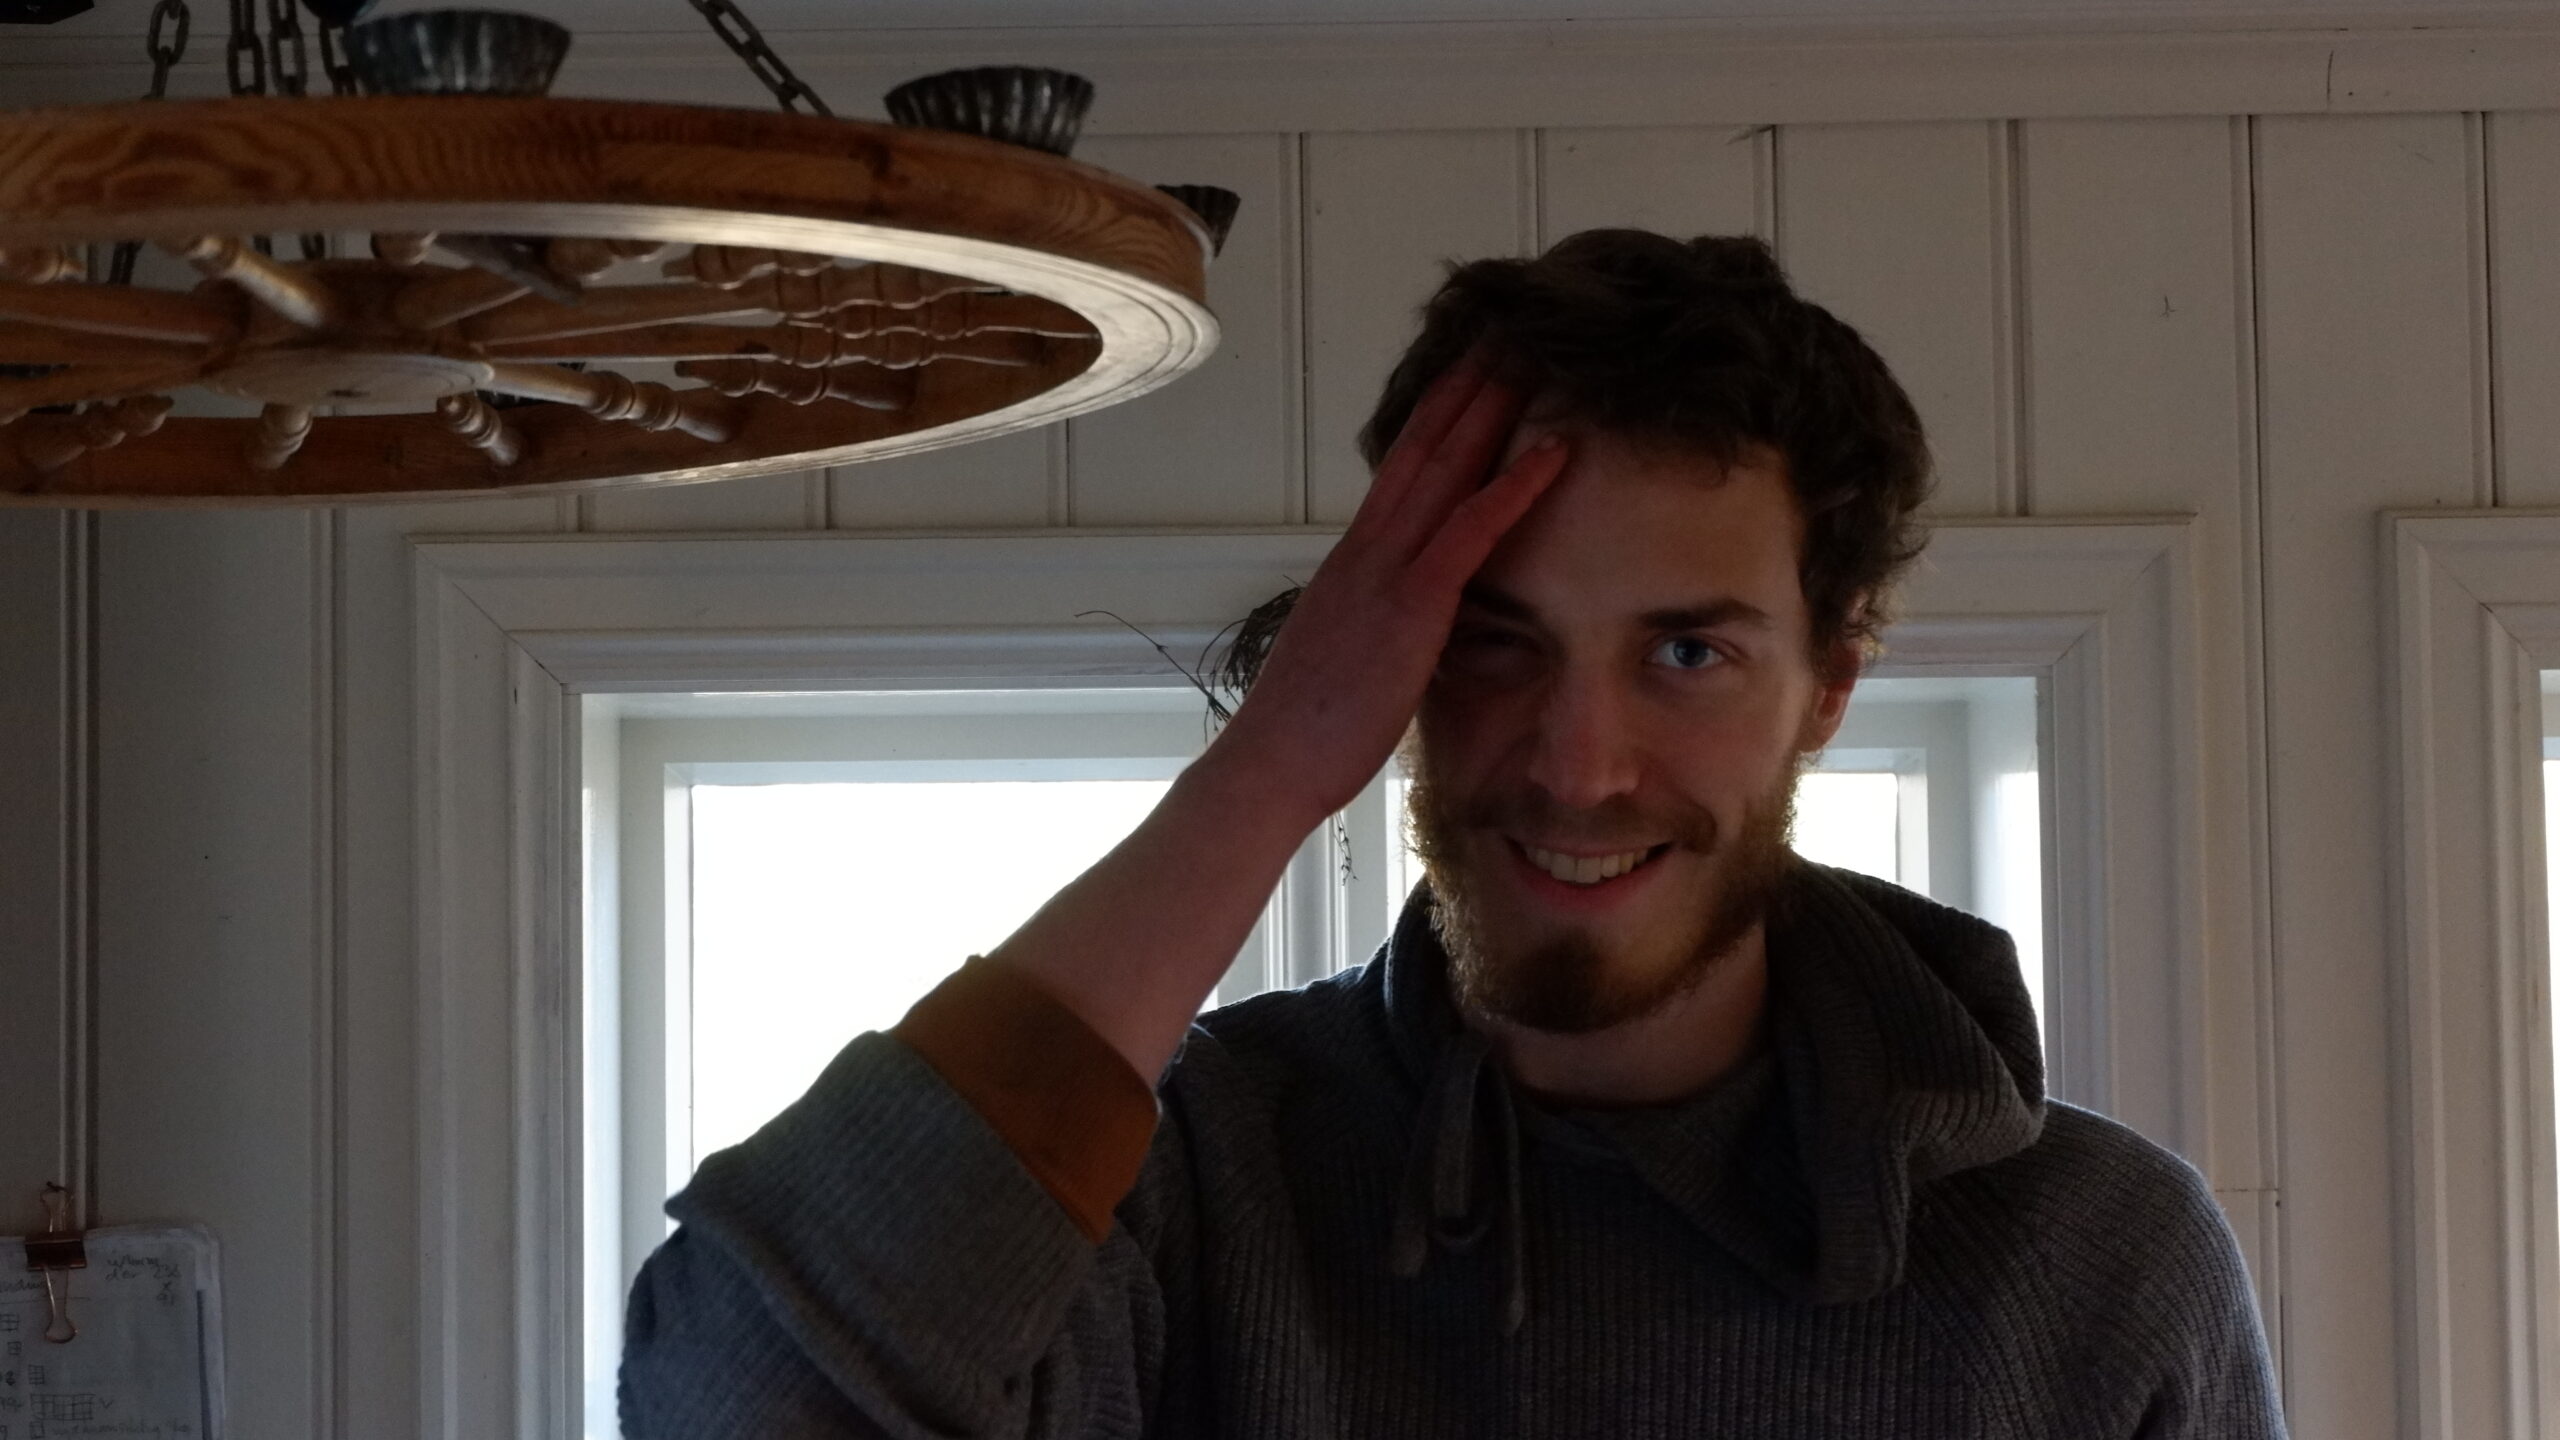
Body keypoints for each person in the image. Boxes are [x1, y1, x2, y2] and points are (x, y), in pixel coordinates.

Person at [617, 230, 2287, 1438]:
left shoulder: (2099, 1265)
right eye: (1491, 639)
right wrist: (1271, 768)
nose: (1577, 763)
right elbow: (730, 1398)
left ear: (1830, 685)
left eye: (1685, 654)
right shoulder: (1192, 1188)